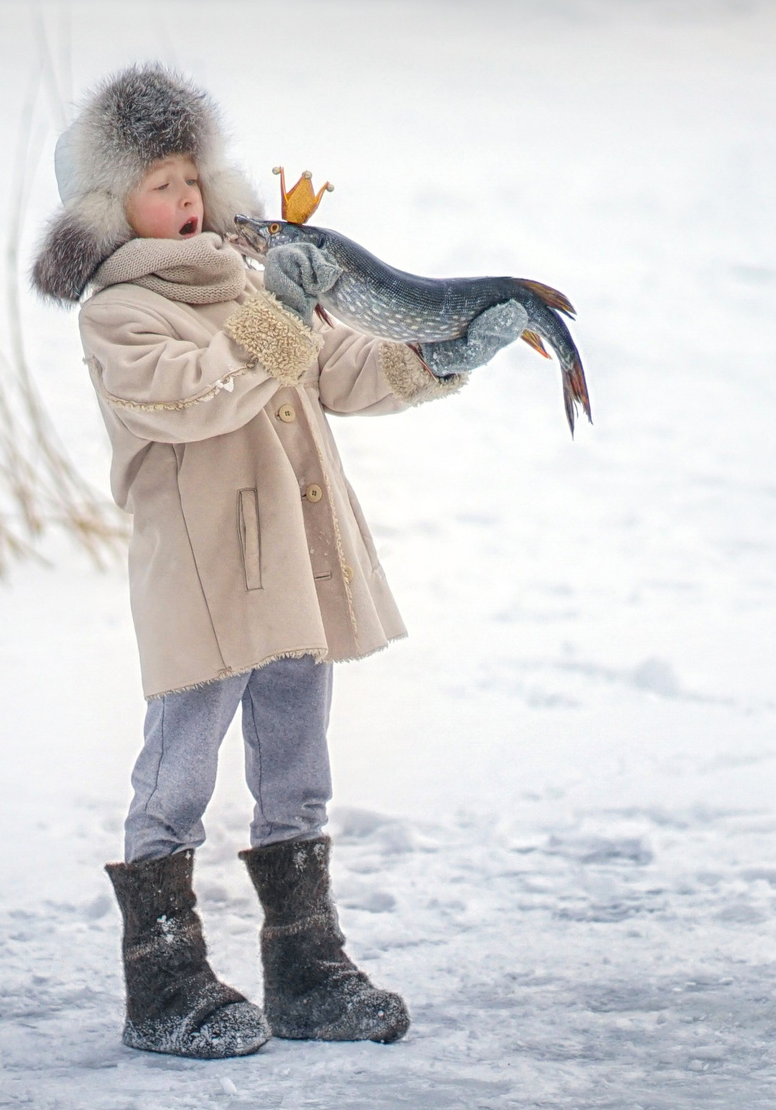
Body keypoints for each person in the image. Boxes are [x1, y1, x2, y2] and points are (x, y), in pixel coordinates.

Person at [30, 65, 527, 1059]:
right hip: (208, 577)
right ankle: (163, 976)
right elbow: (190, 396)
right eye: (158, 186)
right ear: (110, 208)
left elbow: (339, 368)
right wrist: (280, 325)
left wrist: (439, 355)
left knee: (297, 761)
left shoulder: (255, 279)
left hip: (293, 566)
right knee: (180, 765)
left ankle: (307, 965)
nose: (184, 201)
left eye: (191, 179)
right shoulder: (122, 314)